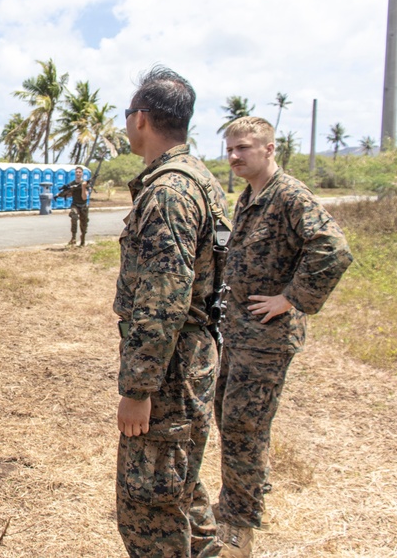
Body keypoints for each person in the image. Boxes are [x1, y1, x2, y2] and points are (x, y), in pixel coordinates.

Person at [214, 117, 352, 557]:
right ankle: (240, 496)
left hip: (267, 338)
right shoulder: (248, 198)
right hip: (240, 332)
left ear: (270, 148)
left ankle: (239, 526)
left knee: (244, 425)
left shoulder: (289, 195)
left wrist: (289, 298)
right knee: (229, 415)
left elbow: (333, 248)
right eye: (231, 149)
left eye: (245, 148)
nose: (235, 156)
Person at [114, 65, 229, 558]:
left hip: (170, 375)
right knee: (184, 491)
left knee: (150, 511)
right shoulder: (200, 178)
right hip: (192, 360)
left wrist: (139, 391)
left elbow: (164, 302)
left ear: (141, 118)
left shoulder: (168, 192)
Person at [56, 166, 90, 246]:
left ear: (82, 174)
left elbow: (84, 197)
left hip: (83, 205)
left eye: (79, 172)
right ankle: (73, 238)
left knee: (84, 224)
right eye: (77, 172)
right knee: (74, 216)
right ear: (75, 173)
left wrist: (83, 187)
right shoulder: (71, 184)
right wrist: (61, 195)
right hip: (75, 204)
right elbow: (69, 194)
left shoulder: (85, 184)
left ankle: (83, 239)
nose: (78, 173)